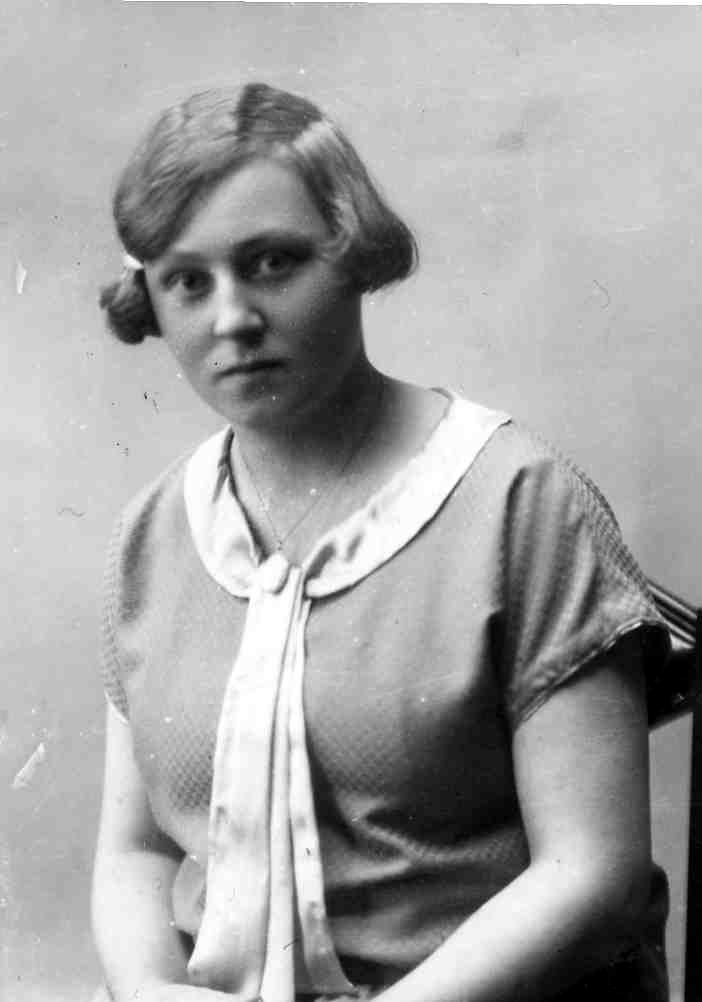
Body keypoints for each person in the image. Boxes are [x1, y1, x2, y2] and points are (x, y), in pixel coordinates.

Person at [92, 83, 671, 1002]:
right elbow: (134, 850)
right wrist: (151, 991)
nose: (232, 318)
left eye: (273, 263)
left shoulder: (519, 501)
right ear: (151, 303)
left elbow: (593, 872)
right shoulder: (154, 533)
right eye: (188, 282)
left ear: (354, 253)